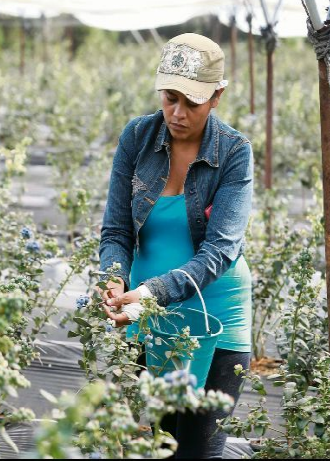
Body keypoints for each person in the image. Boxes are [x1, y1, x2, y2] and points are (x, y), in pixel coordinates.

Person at [98, 33, 253, 459]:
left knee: (197, 451)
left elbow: (220, 251)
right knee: (162, 443)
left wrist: (149, 294)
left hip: (215, 315)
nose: (178, 113)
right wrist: (113, 281)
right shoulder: (138, 137)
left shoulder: (235, 152)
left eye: (192, 102)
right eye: (170, 99)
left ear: (217, 96)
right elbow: (116, 231)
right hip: (149, 318)